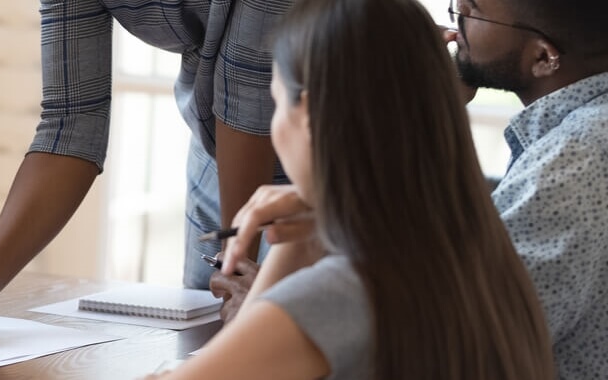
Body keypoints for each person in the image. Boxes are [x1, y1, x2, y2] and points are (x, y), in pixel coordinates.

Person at [149, 0, 556, 378]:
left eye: (275, 103)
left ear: (308, 114)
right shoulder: (486, 258)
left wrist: (284, 267)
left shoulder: (341, 293)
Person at [0, 0, 292, 336]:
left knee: (292, 330)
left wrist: (240, 272)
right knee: (210, 334)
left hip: (330, 147)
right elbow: (71, 120)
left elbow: (249, 100)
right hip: (217, 144)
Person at [444, 0, 608, 377]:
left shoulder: (573, 161)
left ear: (543, 57)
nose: (458, 15)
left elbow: (464, 344)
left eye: (473, 9)